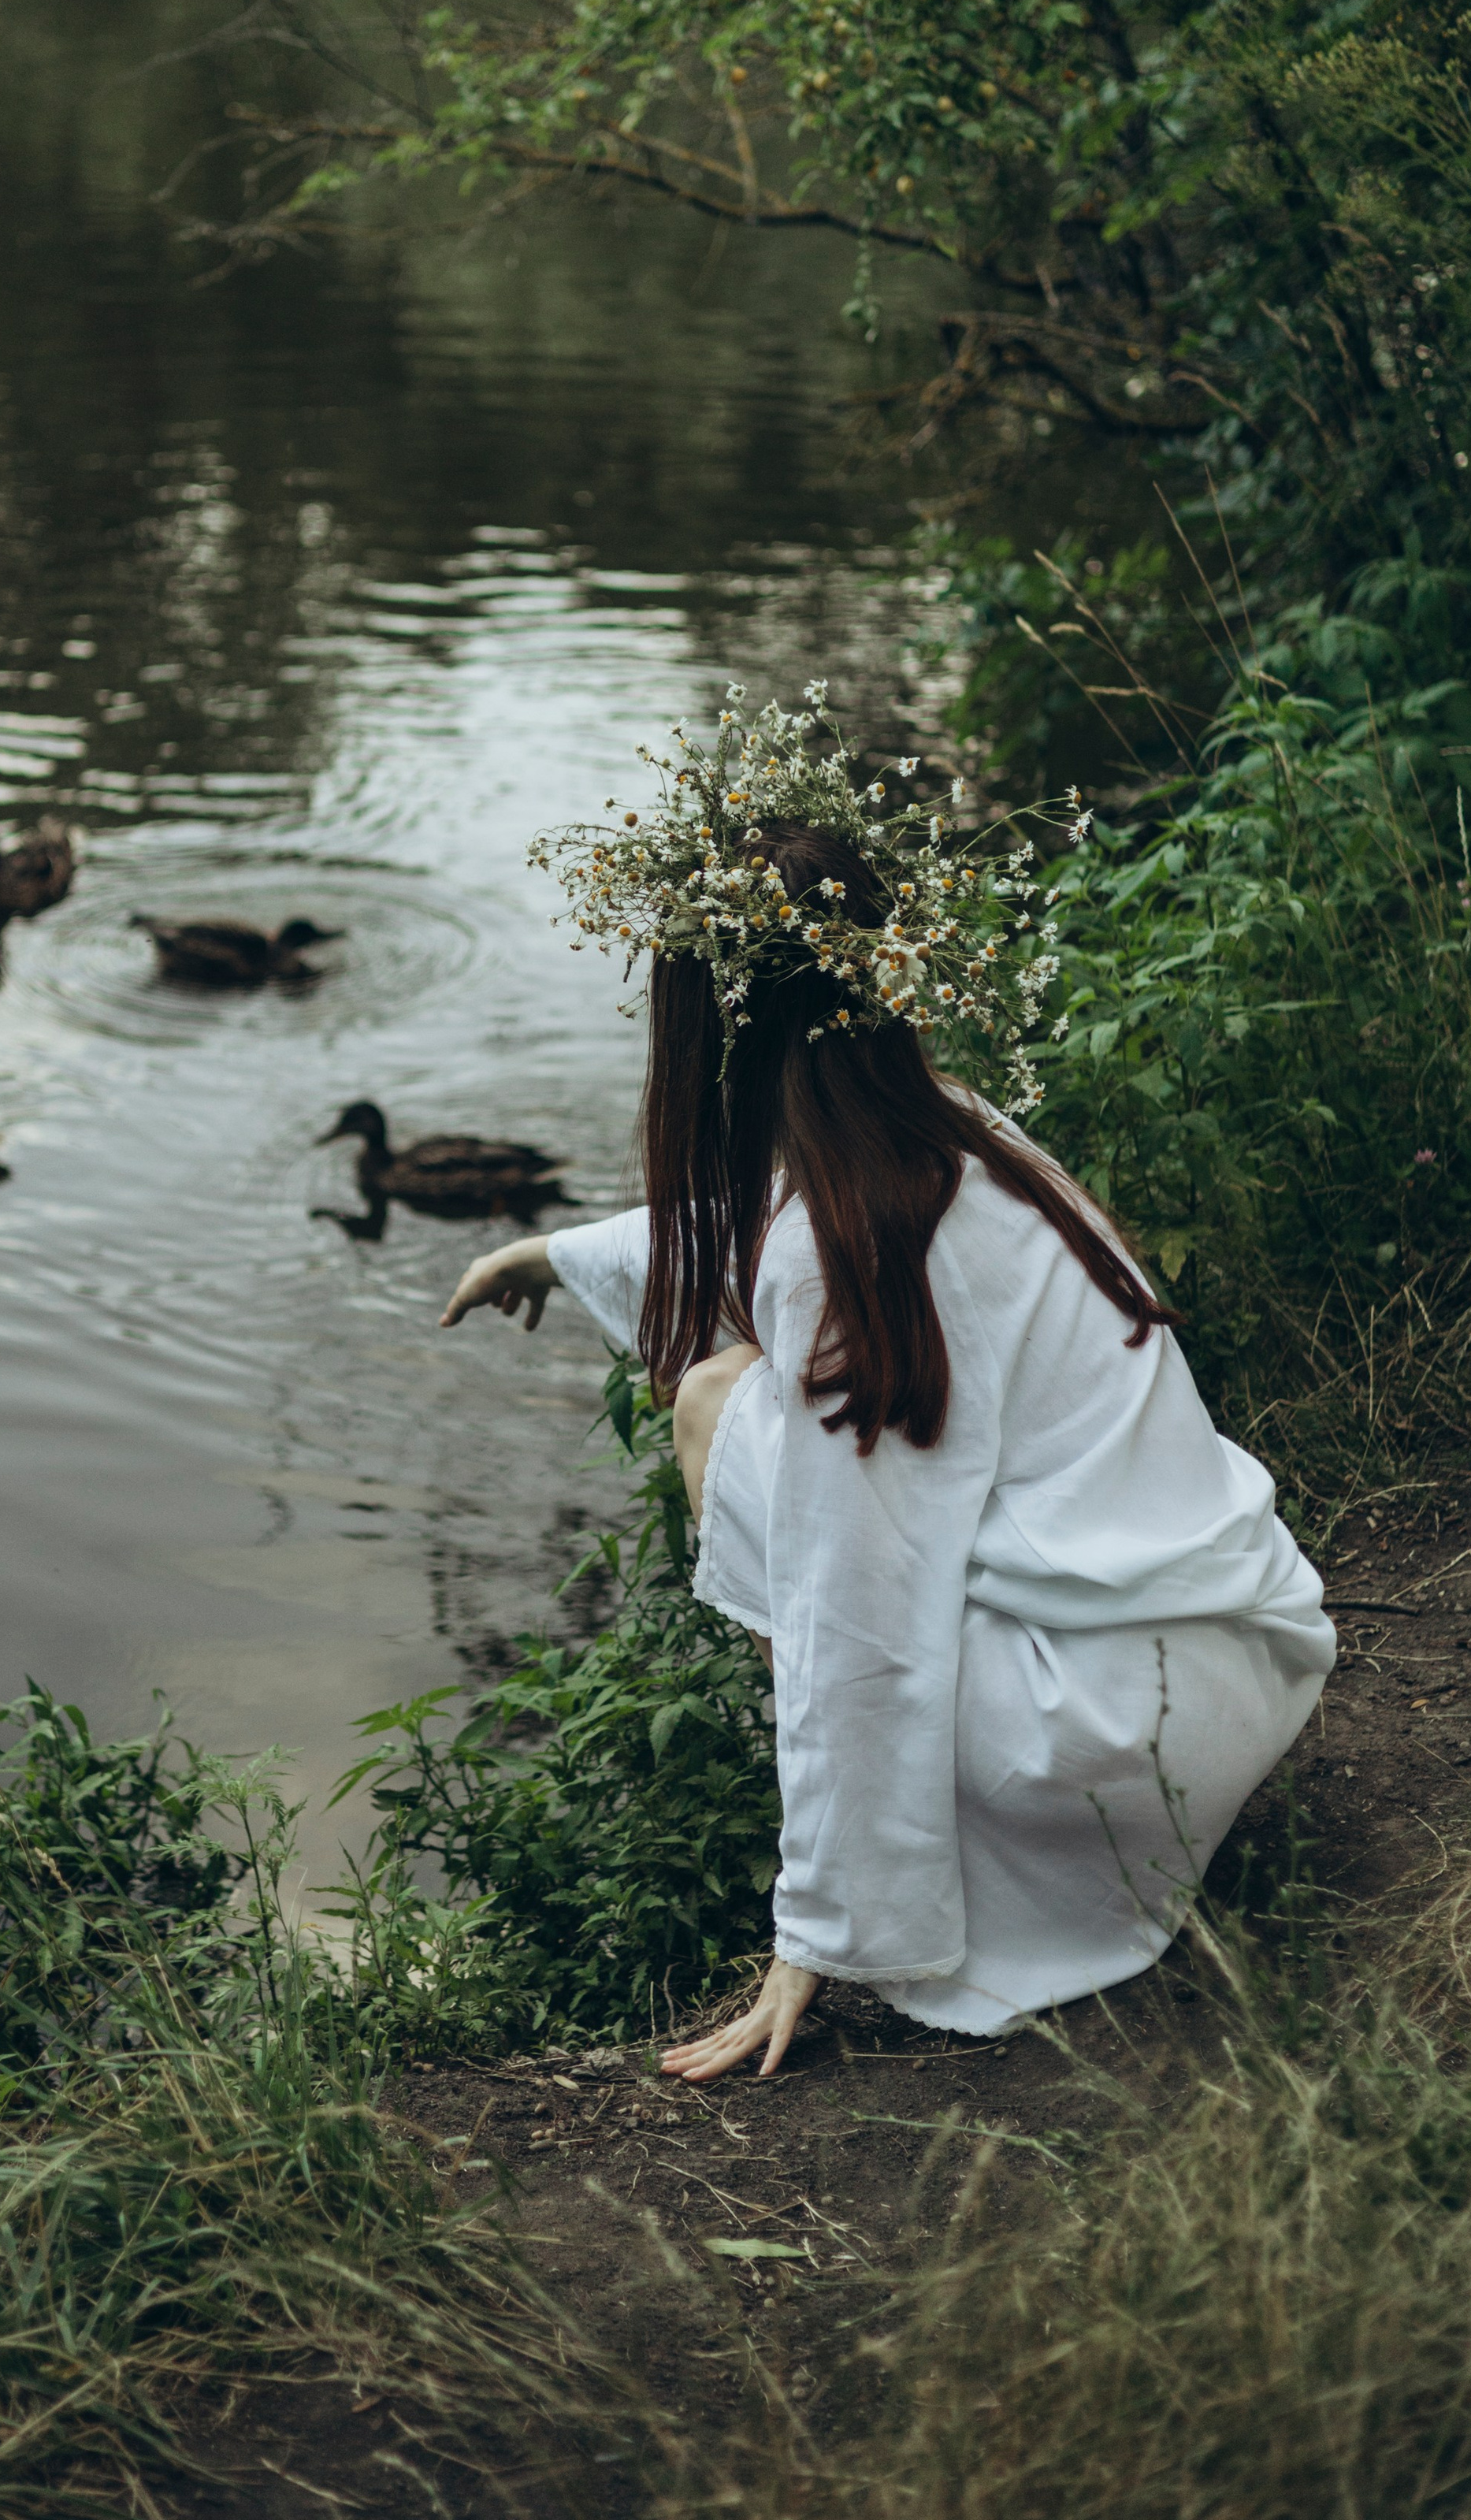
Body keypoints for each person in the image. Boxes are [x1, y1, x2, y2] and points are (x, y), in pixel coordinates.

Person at [440, 691, 1334, 2083]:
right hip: (1222, 1675)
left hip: (1099, 1759)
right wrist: (556, 1251)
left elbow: (858, 1607)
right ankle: (910, 1831)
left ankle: (908, 1863)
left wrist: (821, 1932)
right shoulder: (958, 1131)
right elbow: (758, 1238)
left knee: (711, 1407)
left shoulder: (843, 1251)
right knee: (748, 1388)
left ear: (717, 1037)